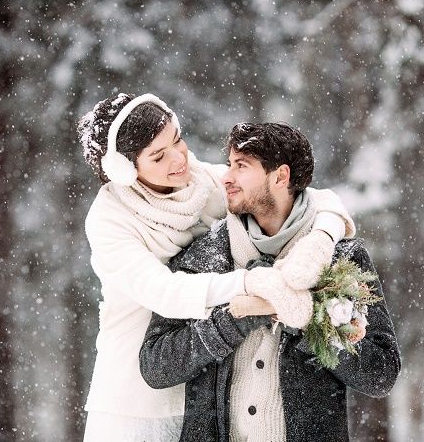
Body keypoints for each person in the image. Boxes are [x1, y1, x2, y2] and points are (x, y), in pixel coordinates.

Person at [77, 94, 356, 442]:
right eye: (158, 156)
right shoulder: (109, 219)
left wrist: (323, 237)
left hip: (206, 386)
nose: (179, 158)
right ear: (126, 170)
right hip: (137, 395)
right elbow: (165, 292)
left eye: (177, 139)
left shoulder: (203, 182)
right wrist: (251, 283)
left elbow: (304, 195)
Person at [139, 122, 401, 442]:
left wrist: (309, 320)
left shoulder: (342, 259)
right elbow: (154, 366)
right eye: (228, 165)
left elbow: (382, 374)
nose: (226, 178)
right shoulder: (199, 258)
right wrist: (232, 321)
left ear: (280, 176)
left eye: (241, 166)